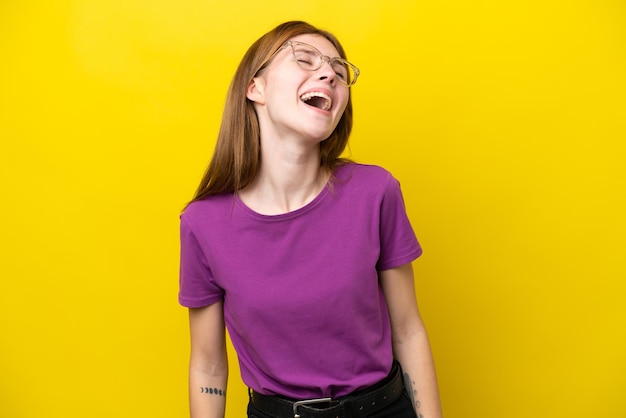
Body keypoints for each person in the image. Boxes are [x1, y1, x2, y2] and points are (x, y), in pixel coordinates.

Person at [179, 21, 443, 418]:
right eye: (305, 59)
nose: (329, 75)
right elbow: (208, 365)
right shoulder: (203, 223)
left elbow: (408, 330)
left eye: (340, 73)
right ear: (256, 88)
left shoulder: (375, 191)